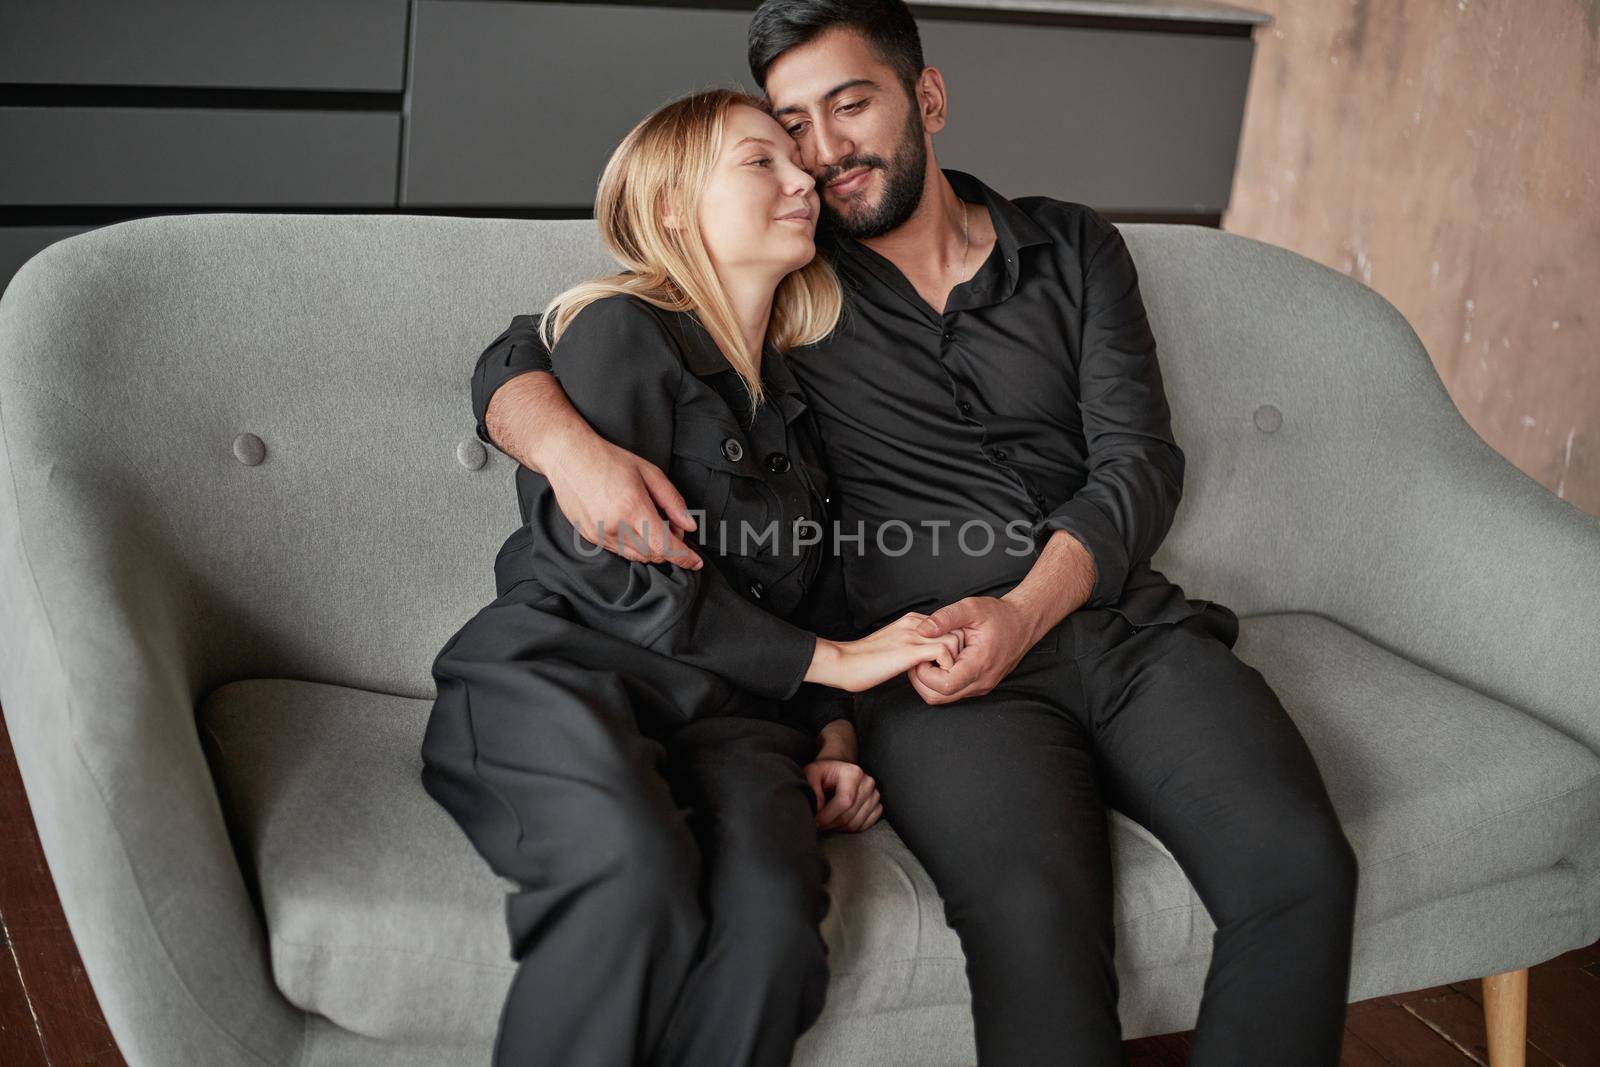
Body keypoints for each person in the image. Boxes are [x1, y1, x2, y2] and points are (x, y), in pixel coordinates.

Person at [470, 2, 1362, 1065]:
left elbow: (1139, 462)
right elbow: (533, 343)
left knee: (1299, 868)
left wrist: (1026, 608)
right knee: (1034, 922)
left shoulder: (1073, 246)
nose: (823, 152)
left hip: (1119, 630)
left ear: (926, 98)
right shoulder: (789, 279)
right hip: (934, 666)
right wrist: (568, 449)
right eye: (791, 126)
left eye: (850, 105)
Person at [421, 86, 965, 1067]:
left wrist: (835, 732)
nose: (802, 175)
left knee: (772, 941)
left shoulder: (809, 399)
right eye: (762, 160)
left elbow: (828, 590)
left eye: (796, 161)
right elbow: (610, 572)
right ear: (672, 206)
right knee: (634, 880)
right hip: (563, 676)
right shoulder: (619, 329)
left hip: (736, 724)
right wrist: (834, 660)